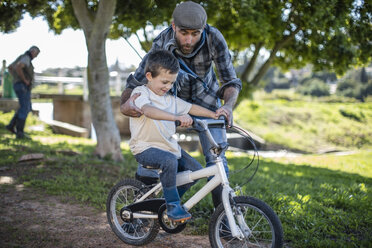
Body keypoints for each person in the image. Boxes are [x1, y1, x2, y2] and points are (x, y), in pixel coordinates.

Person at [120, 1, 241, 209]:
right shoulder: (162, 42)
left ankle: (224, 219)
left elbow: (230, 81)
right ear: (173, 25)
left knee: (217, 159)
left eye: (195, 33)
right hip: (169, 105)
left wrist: (228, 106)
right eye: (184, 33)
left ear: (203, 29)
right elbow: (138, 81)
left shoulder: (214, 38)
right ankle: (140, 214)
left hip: (207, 103)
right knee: (153, 159)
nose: (189, 40)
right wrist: (125, 106)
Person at [129, 49, 219, 222]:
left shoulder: (169, 99)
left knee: (196, 171)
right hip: (145, 147)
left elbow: (190, 107)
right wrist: (176, 117)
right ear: (149, 76)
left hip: (168, 147)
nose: (168, 87)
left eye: (171, 83)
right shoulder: (141, 93)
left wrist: (215, 114)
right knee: (169, 160)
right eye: (164, 82)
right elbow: (148, 111)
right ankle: (172, 206)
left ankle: (164, 203)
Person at [5, 46, 40, 139]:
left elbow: (10, 67)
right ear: (32, 51)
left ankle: (11, 126)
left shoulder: (21, 57)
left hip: (18, 85)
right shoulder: (26, 57)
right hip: (22, 86)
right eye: (36, 54)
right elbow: (18, 66)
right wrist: (24, 80)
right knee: (25, 108)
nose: (36, 57)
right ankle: (20, 132)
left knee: (25, 107)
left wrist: (16, 78)